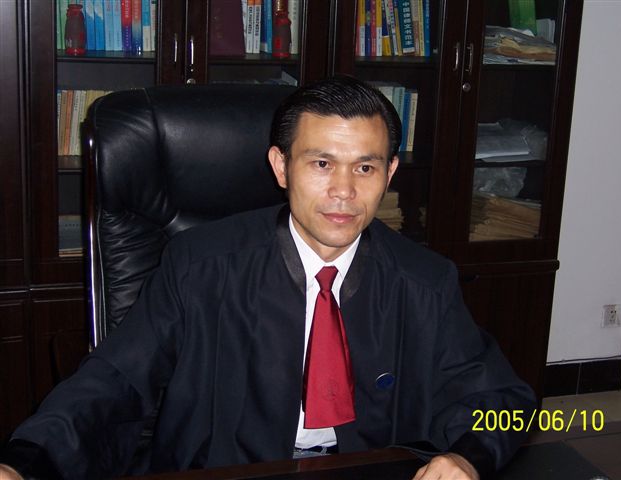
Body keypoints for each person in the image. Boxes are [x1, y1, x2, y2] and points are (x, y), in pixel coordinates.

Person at [0, 76, 535, 480]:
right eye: (321, 164)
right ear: (281, 166)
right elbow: (115, 380)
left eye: (365, 167)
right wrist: (27, 461)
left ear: (390, 174)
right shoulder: (199, 265)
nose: (344, 191)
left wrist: (468, 457)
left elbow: (508, 404)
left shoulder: (424, 282)